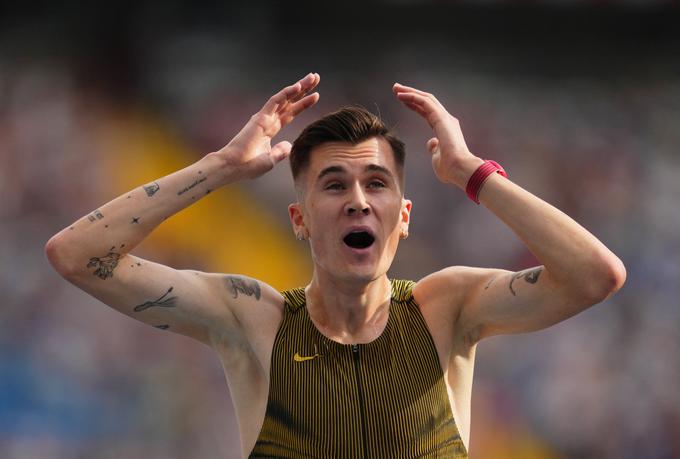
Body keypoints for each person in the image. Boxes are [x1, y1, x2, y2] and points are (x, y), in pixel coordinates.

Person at [45, 72, 626, 458]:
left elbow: (596, 276)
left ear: (402, 217)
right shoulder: (255, 321)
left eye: (377, 184)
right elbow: (76, 256)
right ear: (299, 219)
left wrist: (472, 171)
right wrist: (222, 165)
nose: (357, 200)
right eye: (334, 184)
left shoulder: (445, 310)